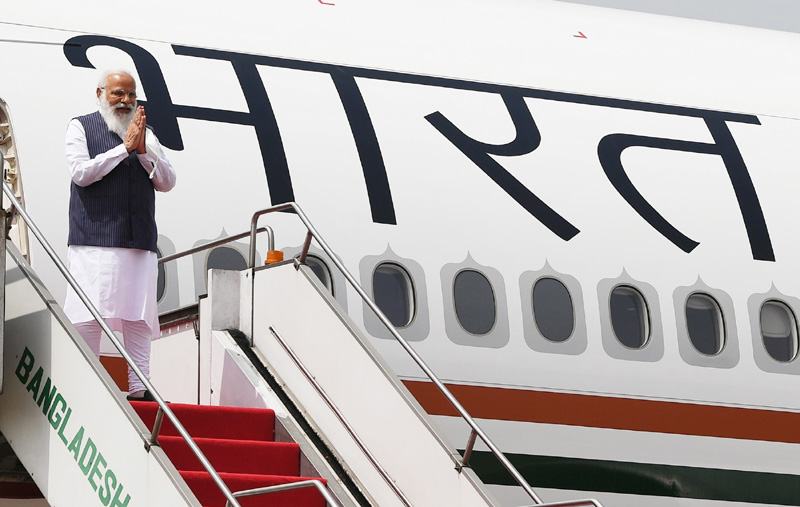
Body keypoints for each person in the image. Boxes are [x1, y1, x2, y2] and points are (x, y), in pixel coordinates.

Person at [64, 69, 176, 401]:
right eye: (118, 93)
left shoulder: (146, 133)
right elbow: (80, 173)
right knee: (89, 313)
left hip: (138, 240)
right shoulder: (81, 127)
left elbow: (168, 181)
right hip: (94, 240)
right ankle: (87, 385)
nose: (125, 101)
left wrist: (142, 151)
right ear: (100, 94)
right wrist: (122, 149)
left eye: (131, 94)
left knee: (138, 317)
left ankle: (141, 387)